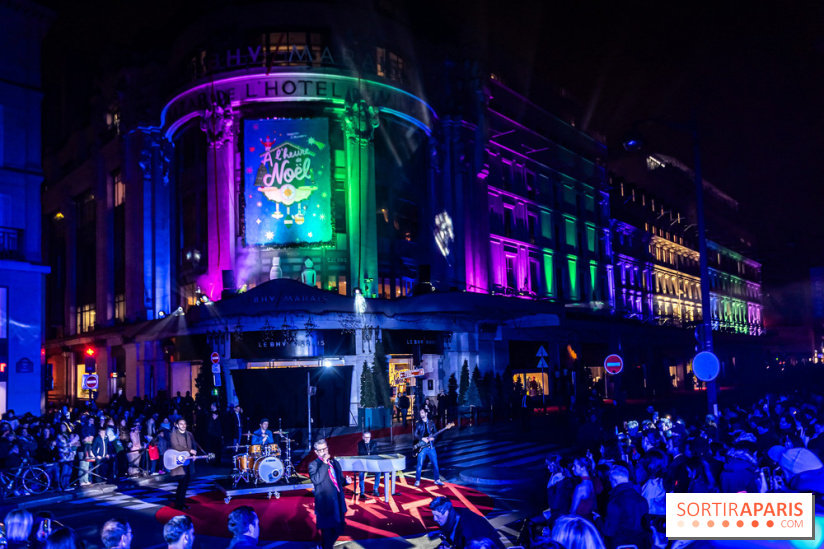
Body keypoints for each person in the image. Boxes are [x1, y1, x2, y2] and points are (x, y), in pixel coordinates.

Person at [308, 439, 348, 549]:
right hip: (325, 505)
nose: (324, 452)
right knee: (327, 534)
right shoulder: (313, 465)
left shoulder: (335, 463)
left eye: (325, 449)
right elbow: (316, 480)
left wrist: (346, 481)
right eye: (321, 450)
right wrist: (324, 464)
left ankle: (322, 546)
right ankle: (325, 546)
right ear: (316, 452)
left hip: (338, 503)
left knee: (340, 528)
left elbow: (339, 480)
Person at [602, 465, 649, 549]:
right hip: (640, 544)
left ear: (613, 481)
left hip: (621, 545)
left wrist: (598, 519)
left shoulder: (615, 502)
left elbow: (609, 531)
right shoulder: (642, 500)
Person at [429, 496, 504, 549]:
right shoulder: (454, 514)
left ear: (447, 512)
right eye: (434, 515)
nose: (434, 519)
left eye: (437, 516)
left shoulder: (470, 533)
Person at [170, 418, 198, 510]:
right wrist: (189, 450)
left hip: (187, 461)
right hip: (179, 462)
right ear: (177, 425)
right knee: (181, 482)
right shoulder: (174, 434)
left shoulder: (189, 434)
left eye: (184, 423)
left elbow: (193, 445)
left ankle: (182, 503)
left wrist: (193, 454)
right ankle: (178, 504)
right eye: (181, 424)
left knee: (186, 483)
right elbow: (176, 446)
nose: (183, 425)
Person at [414, 407, 444, 487]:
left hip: (431, 446)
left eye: (422, 413)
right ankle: (417, 480)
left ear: (426, 413)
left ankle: (437, 480)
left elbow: (435, 433)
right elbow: (415, 435)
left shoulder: (431, 423)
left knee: (435, 463)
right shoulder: (418, 423)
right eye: (420, 413)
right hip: (422, 447)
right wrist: (422, 438)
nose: (421, 415)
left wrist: (433, 438)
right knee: (419, 464)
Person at [569, 457, 597, 521]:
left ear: (583, 468)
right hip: (589, 521)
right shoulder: (592, 482)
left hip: (580, 522)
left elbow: (572, 512)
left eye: (575, 466)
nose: (572, 468)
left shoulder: (581, 487)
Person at [357, 431, 380, 498]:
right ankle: (362, 492)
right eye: (365, 437)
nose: (366, 439)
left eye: (368, 437)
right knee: (361, 473)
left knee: (378, 472)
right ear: (363, 437)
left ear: (370, 437)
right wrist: (369, 453)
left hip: (372, 462)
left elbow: (376, 452)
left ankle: (375, 489)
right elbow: (360, 453)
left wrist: (368, 453)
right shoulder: (360, 444)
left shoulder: (374, 443)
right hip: (363, 463)